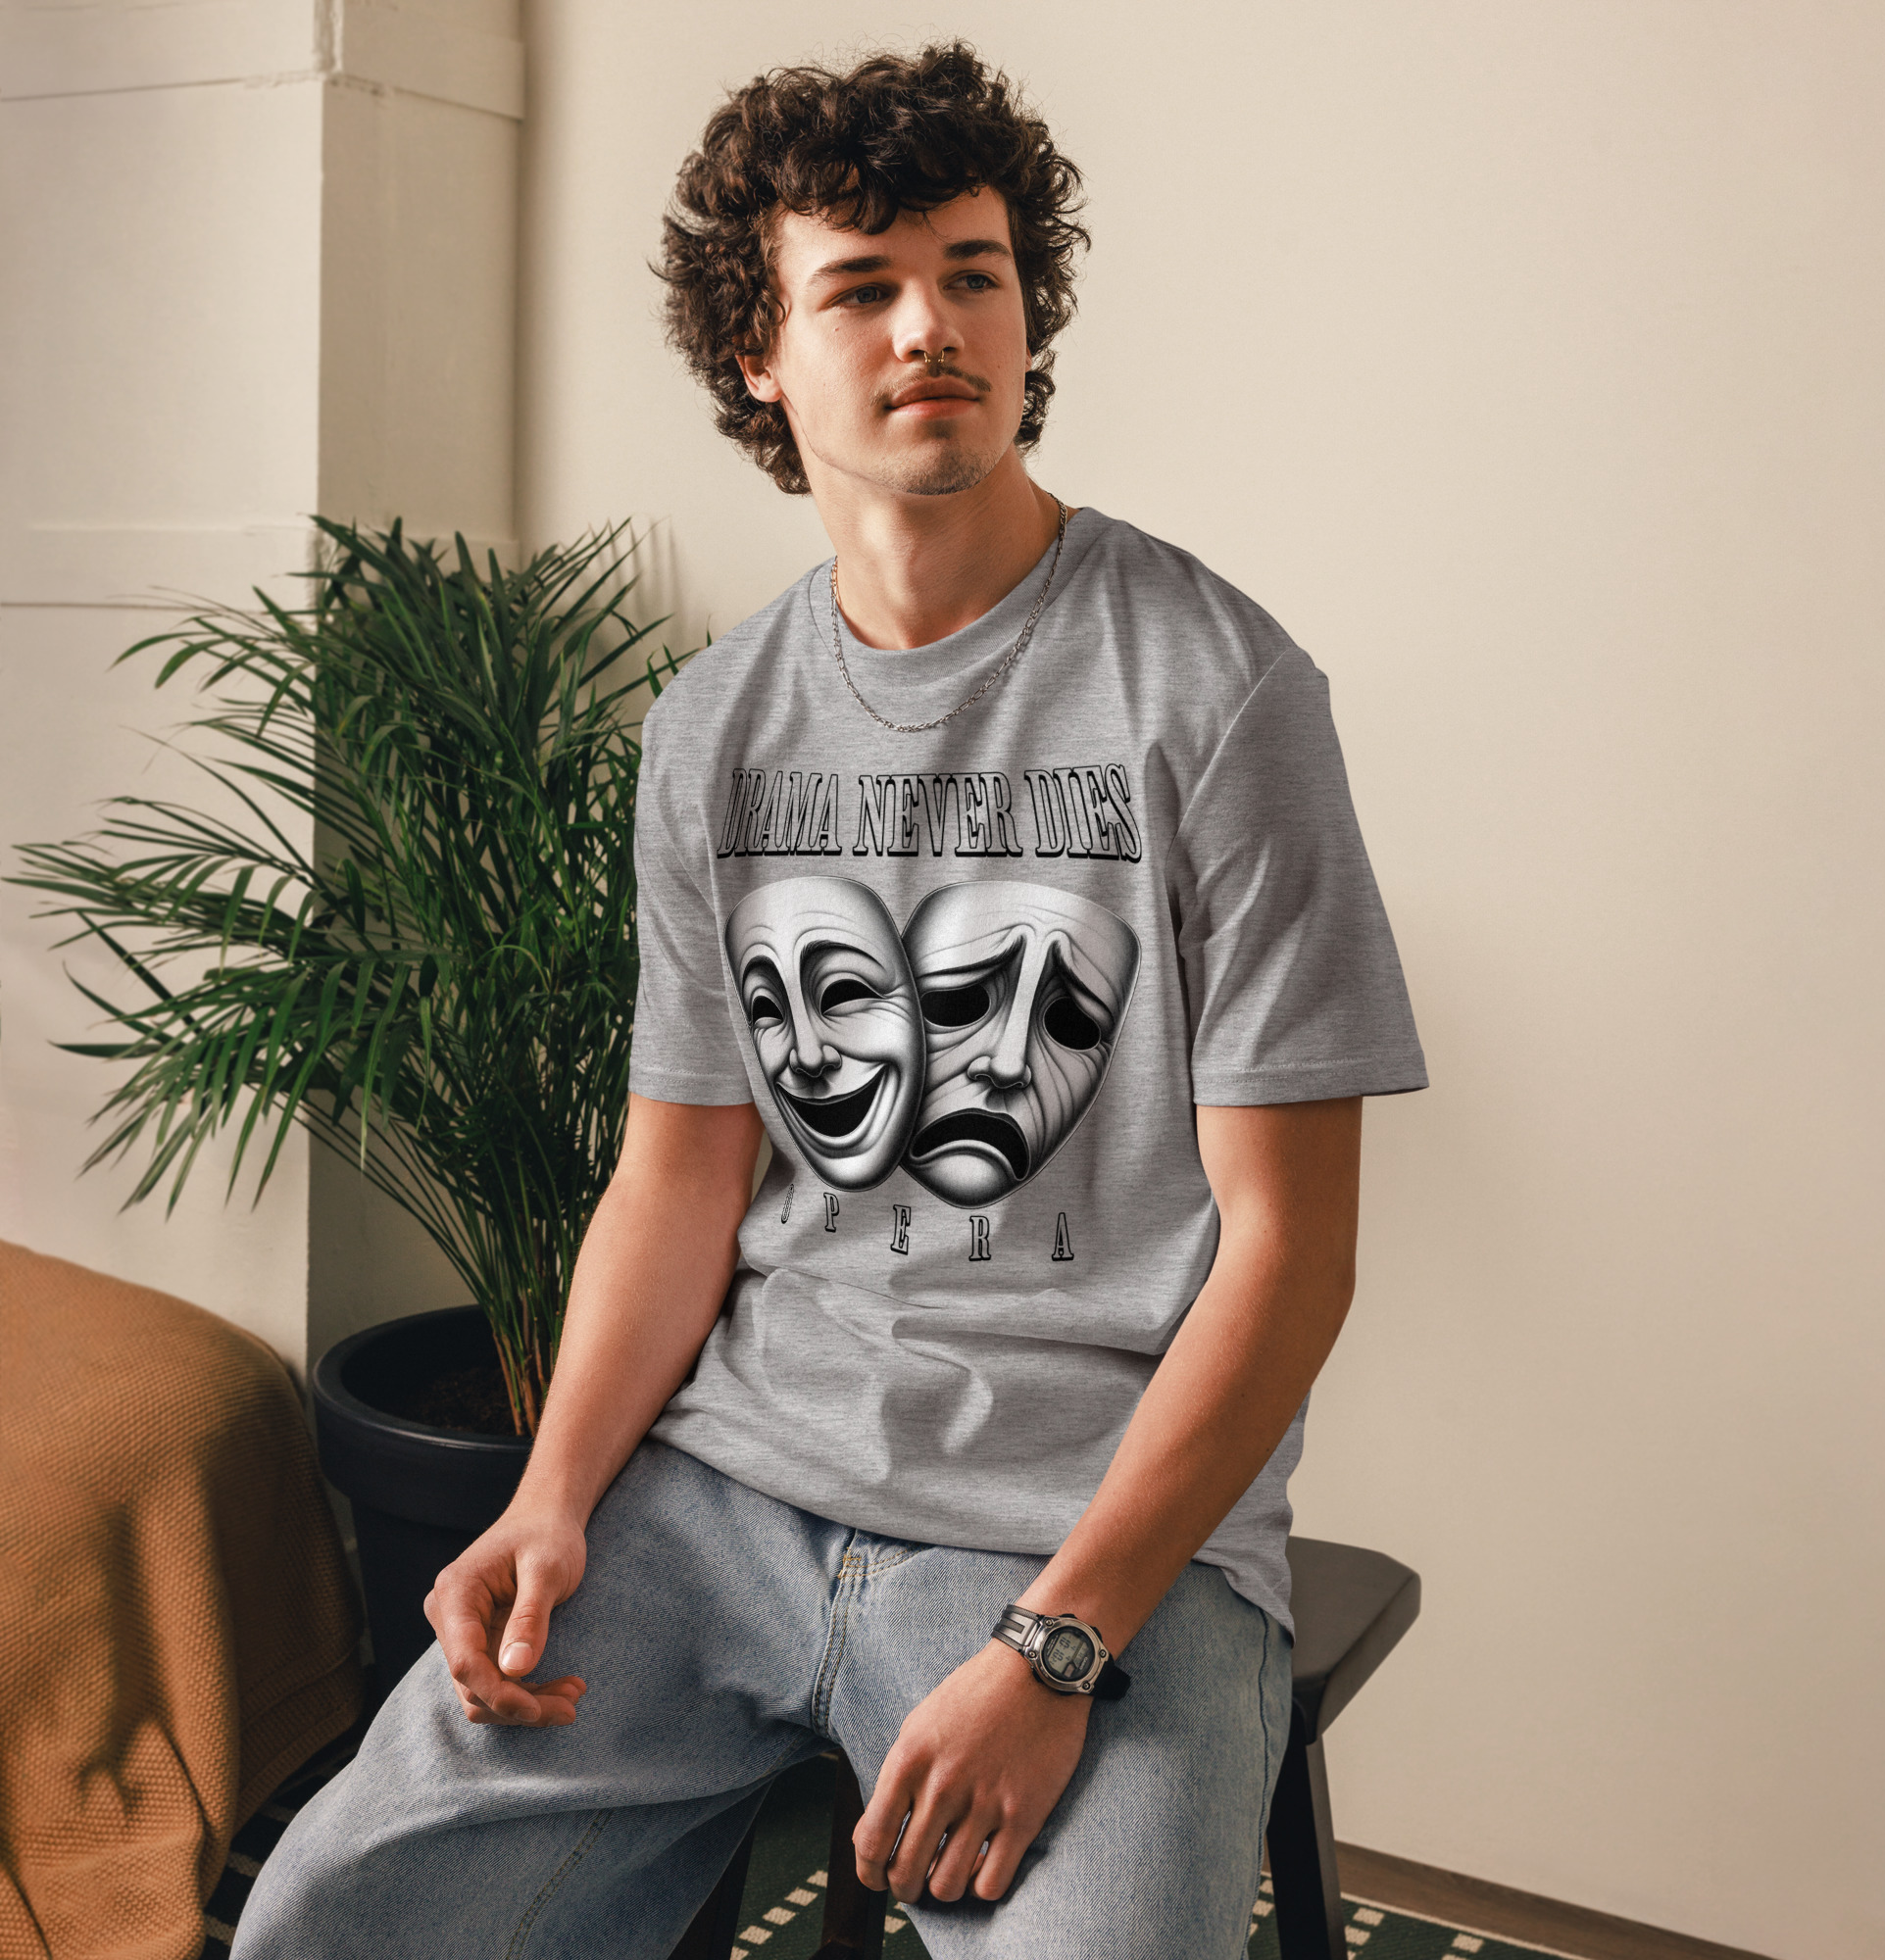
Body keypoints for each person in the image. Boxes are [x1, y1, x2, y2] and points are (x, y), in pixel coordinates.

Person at [233, 40, 1426, 1960]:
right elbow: (678, 1178)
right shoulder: (714, 725)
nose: (930, 325)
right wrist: (552, 1499)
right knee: (323, 1917)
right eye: (860, 286)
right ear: (760, 360)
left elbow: (1290, 1254)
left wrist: (1057, 1645)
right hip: (721, 1502)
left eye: (972, 273)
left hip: (1083, 1533)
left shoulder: (1219, 694)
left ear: (1029, 316)